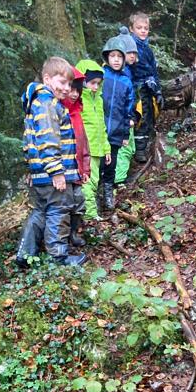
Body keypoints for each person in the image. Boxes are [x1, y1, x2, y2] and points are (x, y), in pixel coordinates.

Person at [16, 57, 86, 267]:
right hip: (53, 173)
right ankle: (58, 257)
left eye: (69, 84)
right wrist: (56, 172)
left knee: (41, 211)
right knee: (58, 211)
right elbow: (48, 140)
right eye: (62, 83)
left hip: (41, 172)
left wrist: (31, 166)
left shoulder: (37, 103)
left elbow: (28, 141)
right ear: (47, 79)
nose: (66, 89)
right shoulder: (47, 103)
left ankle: (24, 253)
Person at [101, 37, 136, 212]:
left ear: (124, 60)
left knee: (111, 164)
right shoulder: (101, 76)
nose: (115, 59)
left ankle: (108, 193)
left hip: (115, 130)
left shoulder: (126, 82)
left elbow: (128, 110)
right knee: (96, 163)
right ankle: (93, 194)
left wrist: (123, 134)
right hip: (99, 130)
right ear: (107, 57)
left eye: (119, 57)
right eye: (112, 56)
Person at [76, 58, 112, 221]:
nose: (95, 87)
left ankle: (90, 213)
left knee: (94, 181)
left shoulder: (98, 98)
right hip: (85, 149)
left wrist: (106, 148)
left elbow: (102, 126)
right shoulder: (78, 100)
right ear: (83, 81)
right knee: (87, 183)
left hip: (97, 149)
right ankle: (90, 214)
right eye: (92, 83)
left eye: (98, 83)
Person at [128, 12, 164, 164]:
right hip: (137, 89)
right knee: (140, 117)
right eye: (139, 28)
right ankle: (139, 151)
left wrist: (158, 89)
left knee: (150, 115)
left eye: (146, 28)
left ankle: (145, 145)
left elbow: (153, 71)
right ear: (132, 29)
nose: (143, 31)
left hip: (148, 88)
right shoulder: (131, 47)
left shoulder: (147, 49)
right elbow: (137, 70)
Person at [61, 66, 88, 251]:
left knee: (79, 201)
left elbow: (83, 144)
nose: (74, 94)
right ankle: (61, 241)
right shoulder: (57, 112)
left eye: (78, 91)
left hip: (77, 169)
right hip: (61, 171)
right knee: (63, 205)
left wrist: (85, 168)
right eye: (71, 90)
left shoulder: (78, 114)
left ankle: (74, 233)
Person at [114, 27, 139, 184]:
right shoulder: (120, 74)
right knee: (124, 148)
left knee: (129, 148)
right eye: (130, 53)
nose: (133, 56)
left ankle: (120, 177)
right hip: (122, 119)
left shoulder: (129, 71)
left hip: (127, 115)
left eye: (134, 53)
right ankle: (119, 180)